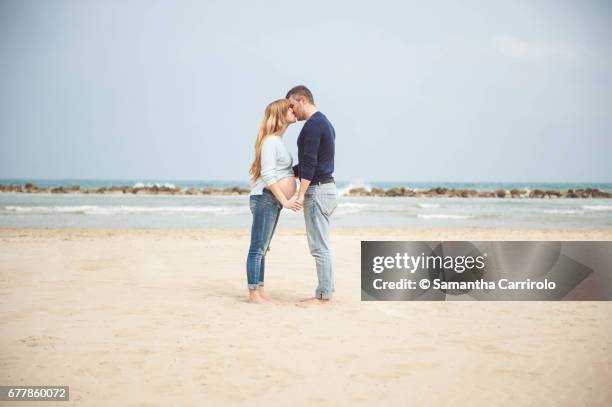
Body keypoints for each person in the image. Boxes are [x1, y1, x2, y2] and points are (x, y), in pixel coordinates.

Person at [286, 85, 338, 307]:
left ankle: (323, 296)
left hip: (318, 190)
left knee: (319, 247)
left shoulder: (313, 126)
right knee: (321, 245)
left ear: (303, 100)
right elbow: (313, 162)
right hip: (325, 188)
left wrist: (300, 194)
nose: (291, 110)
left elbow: (310, 163)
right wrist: (286, 173)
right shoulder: (324, 122)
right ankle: (326, 290)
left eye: (292, 105)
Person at [246, 99, 297, 304]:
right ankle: (253, 293)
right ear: (280, 114)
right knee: (257, 247)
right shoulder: (270, 142)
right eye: (290, 109)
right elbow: (268, 175)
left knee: (264, 247)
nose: (294, 111)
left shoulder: (278, 141)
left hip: (271, 200)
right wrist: (284, 200)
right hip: (265, 198)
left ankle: (260, 289)